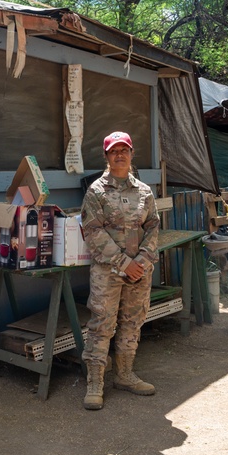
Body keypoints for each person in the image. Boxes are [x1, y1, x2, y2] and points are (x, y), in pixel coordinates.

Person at [79, 131, 160, 411]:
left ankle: (125, 375)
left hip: (140, 270)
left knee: (132, 322)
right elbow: (92, 231)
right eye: (114, 151)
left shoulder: (144, 192)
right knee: (102, 324)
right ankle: (95, 383)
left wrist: (144, 260)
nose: (120, 155)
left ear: (131, 153)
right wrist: (125, 263)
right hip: (108, 272)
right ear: (106, 156)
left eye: (124, 149)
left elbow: (152, 227)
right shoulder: (96, 192)